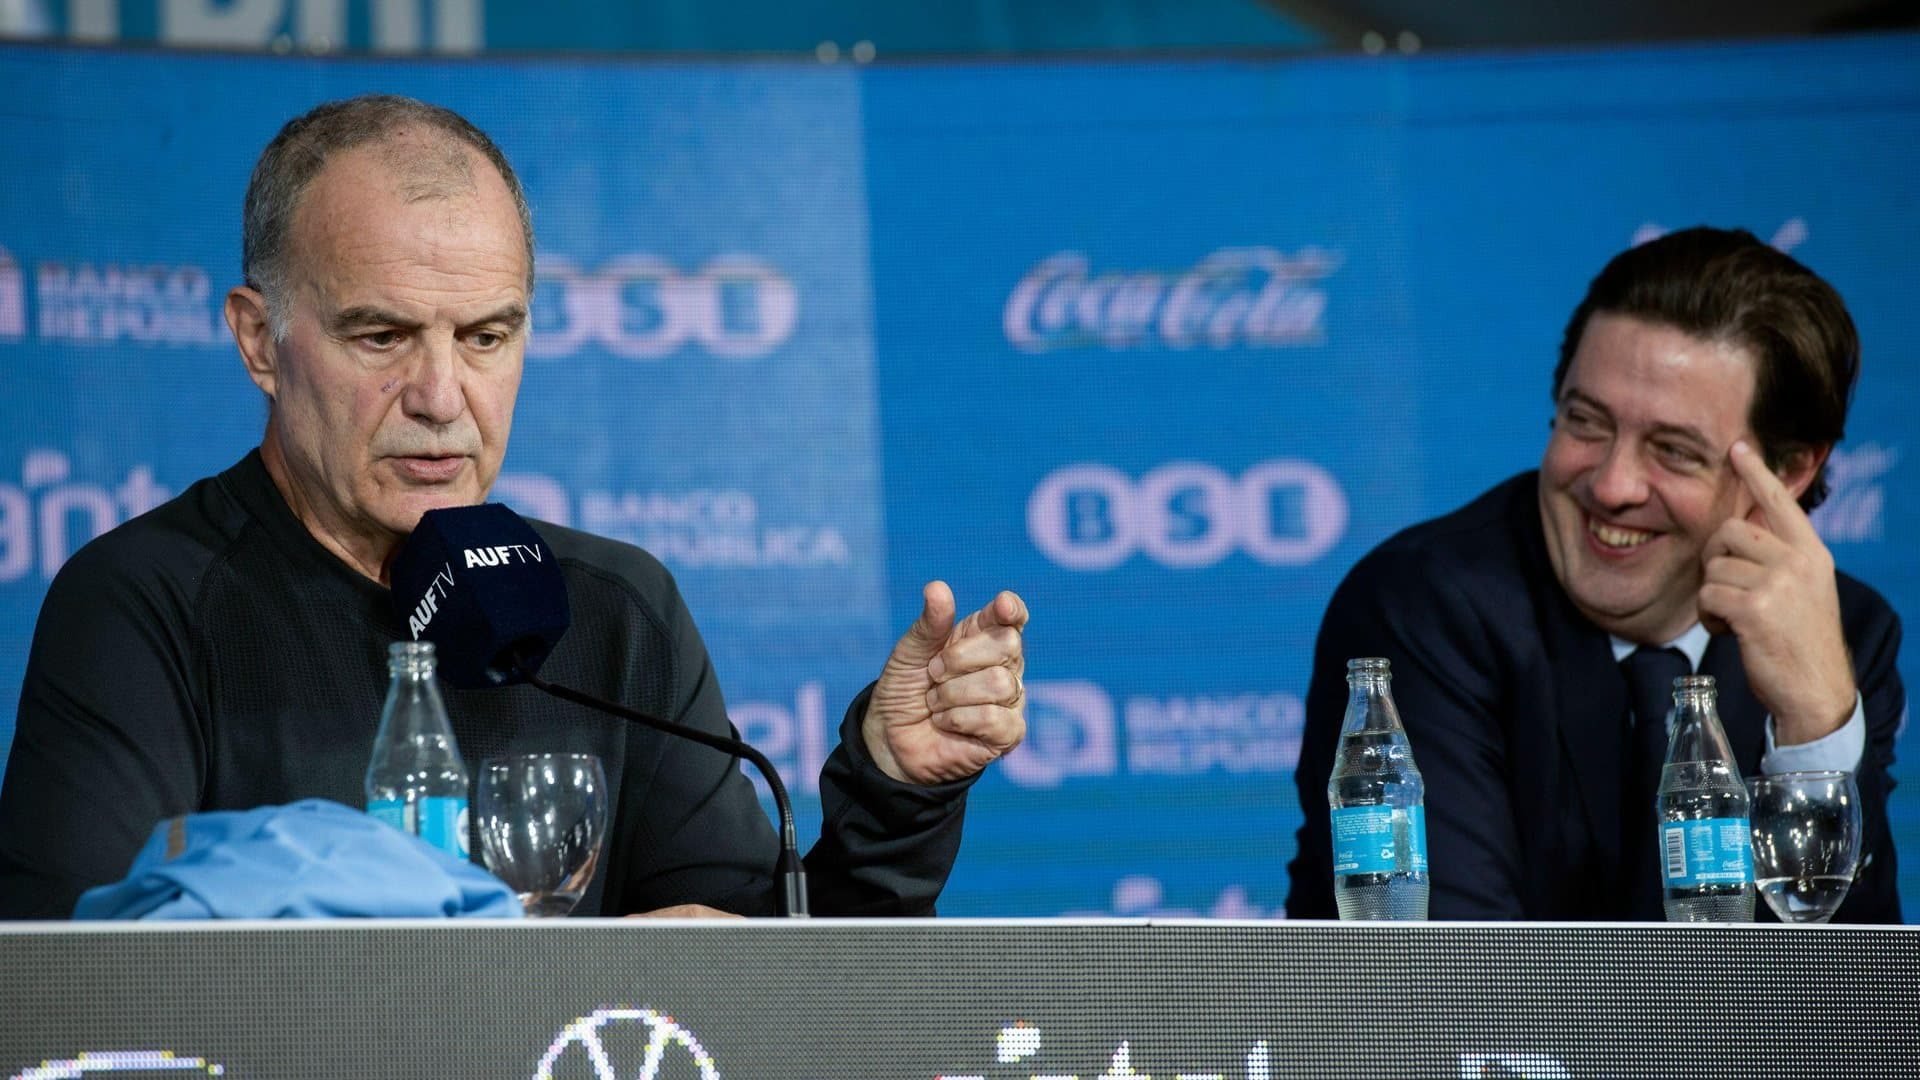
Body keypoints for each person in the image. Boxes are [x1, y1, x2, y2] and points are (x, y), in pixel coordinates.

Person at [0, 95, 1029, 919]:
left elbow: (758, 1009)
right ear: (261, 342)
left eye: (486, 337)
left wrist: (893, 792)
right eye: (380, 337)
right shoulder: (144, 606)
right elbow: (81, 1000)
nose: (442, 399)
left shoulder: (615, 607)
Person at [1286, 226, 1902, 921]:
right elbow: (1450, 979)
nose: (1612, 486)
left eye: (1672, 451)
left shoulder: (1846, 636)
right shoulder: (1424, 604)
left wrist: (1815, 727)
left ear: (1789, 471)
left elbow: (1849, 1009)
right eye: (1587, 423)